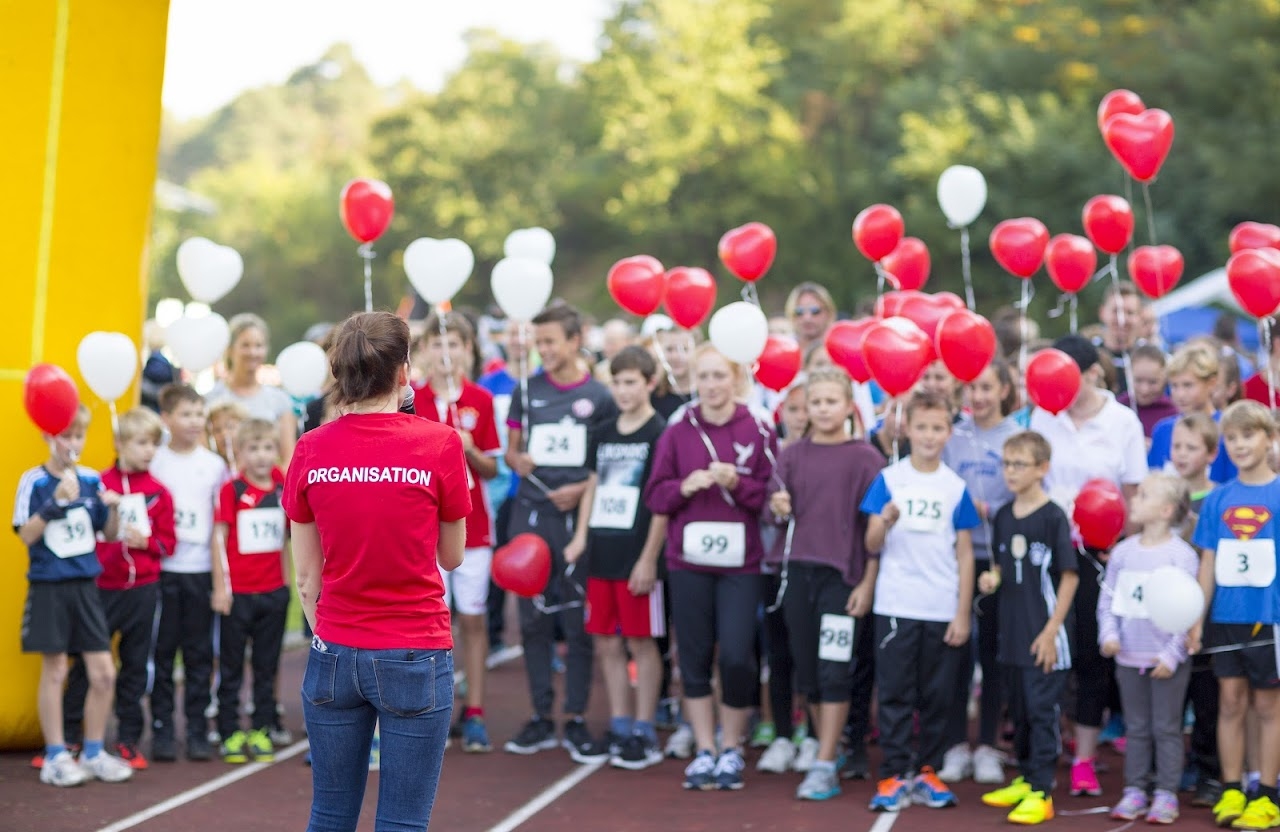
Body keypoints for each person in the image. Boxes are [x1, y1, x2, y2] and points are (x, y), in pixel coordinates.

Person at [283, 311, 470, 831]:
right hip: (414, 647)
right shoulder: (440, 443)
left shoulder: (310, 447)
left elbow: (305, 577)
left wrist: (329, 634)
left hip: (335, 648)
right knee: (403, 821)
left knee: (330, 813)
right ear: (404, 372)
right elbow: (451, 556)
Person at [644, 343, 777, 791]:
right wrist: (685, 486)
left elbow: (771, 501)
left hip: (741, 564)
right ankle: (705, 748)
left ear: (736, 378)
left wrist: (736, 482)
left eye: (721, 376)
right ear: (694, 381)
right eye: (705, 377)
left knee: (738, 655)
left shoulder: (758, 427)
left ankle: (733, 746)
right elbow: (656, 496)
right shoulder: (678, 430)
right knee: (695, 655)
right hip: (688, 561)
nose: (712, 385)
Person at [1030, 334, 1148, 797]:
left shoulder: (1121, 422)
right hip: (1049, 553)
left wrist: (1122, 549)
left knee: (1092, 656)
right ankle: (1044, 745)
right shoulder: (1043, 414)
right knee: (1047, 651)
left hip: (1101, 553)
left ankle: (1084, 758)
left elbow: (1134, 494)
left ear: (1091, 373)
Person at [503, 304, 618, 760]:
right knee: (533, 620)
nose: (543, 350)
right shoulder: (525, 391)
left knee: (576, 622)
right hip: (530, 516)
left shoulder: (600, 396)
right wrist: (519, 461)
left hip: (577, 520)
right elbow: (511, 452)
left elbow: (609, 463)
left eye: (551, 341)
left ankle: (575, 718)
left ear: (574, 340)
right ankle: (539, 715)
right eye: (539, 342)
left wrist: (581, 488)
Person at [765, 367, 884, 801]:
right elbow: (773, 511)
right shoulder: (792, 455)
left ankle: (824, 761)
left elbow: (876, 533)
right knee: (809, 672)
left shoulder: (866, 458)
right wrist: (777, 505)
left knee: (836, 670)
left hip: (841, 578)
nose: (823, 409)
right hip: (797, 574)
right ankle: (825, 750)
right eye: (816, 402)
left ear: (847, 405)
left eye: (831, 401)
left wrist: (866, 583)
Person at [861, 390, 979, 813]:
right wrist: (885, 521)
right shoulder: (890, 479)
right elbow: (871, 542)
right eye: (922, 427)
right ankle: (893, 772)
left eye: (938, 428)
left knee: (937, 694)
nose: (929, 436)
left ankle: (927, 769)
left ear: (949, 432)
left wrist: (962, 612)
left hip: (940, 606)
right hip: (896, 604)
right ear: (906, 429)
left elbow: (965, 553)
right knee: (894, 691)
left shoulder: (956, 487)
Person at [14, 405, 132, 787]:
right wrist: (55, 504)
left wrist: (112, 510)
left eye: (79, 436)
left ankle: (94, 751)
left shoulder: (91, 480)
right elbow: (26, 535)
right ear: (50, 437)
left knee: (103, 673)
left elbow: (109, 534)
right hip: (50, 587)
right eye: (66, 436)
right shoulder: (34, 482)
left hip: (86, 586)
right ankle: (55, 755)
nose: (73, 444)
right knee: (57, 670)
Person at [564, 345, 669, 770]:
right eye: (617, 382)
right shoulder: (603, 430)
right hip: (601, 551)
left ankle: (645, 726)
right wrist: (579, 536)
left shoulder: (660, 432)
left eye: (631, 382)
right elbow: (591, 485)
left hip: (637, 554)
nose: (623, 391)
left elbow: (661, 502)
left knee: (641, 641)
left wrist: (649, 558)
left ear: (649, 383)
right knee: (606, 640)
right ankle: (621, 721)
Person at [63, 407, 176, 771]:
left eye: (153, 444)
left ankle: (127, 738)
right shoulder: (96, 485)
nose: (149, 451)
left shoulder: (160, 491)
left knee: (134, 666)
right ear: (120, 443)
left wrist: (146, 542)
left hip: (143, 590)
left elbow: (168, 544)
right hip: (101, 589)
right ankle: (71, 737)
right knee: (85, 662)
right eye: (142, 443)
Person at [977, 431, 1079, 826]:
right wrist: (993, 579)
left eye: (1019, 464)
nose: (1010, 472)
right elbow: (1004, 568)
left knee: (1041, 710)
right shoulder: (1003, 515)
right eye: (1006, 464)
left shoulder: (1053, 516)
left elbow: (1068, 578)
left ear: (1042, 469)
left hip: (1045, 634)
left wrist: (1053, 630)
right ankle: (1024, 778)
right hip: (1012, 632)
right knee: (1017, 708)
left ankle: (1042, 791)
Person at [1191, 401, 1280, 830]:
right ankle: (1231, 788)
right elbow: (1207, 563)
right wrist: (1196, 616)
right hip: (1226, 617)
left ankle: (1266, 793)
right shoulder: (1217, 499)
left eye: (1249, 435)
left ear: (1270, 438)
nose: (1240, 444)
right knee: (1230, 702)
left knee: (1267, 705)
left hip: (1270, 619)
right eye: (1232, 437)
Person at [415, 312, 501, 753]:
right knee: (434, 620)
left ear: (469, 350)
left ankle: (476, 711)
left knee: (472, 618)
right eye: (436, 345)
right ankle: (436, 708)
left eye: (454, 345)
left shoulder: (480, 400)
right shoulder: (411, 398)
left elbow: (492, 466)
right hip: (424, 529)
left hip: (474, 529)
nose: (445, 354)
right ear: (423, 350)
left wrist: (468, 449)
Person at [1098, 474, 1200, 824]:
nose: (1134, 501)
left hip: (1165, 662)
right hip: (1129, 656)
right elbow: (1108, 599)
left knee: (1167, 728)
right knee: (1137, 728)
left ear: (1166, 510)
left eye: (1143, 496)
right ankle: (1135, 789)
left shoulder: (1181, 556)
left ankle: (1167, 793)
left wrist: (1172, 655)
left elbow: (1188, 610)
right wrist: (1108, 635)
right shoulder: (1124, 552)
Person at [939, 358, 1022, 785]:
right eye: (972, 387)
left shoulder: (1016, 437)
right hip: (956, 557)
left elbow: (1026, 495)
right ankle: (955, 744)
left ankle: (988, 746)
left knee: (992, 656)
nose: (979, 396)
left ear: (1005, 390)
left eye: (988, 387)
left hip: (998, 558)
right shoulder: (953, 435)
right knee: (955, 653)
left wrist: (994, 510)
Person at [149, 384, 230, 762]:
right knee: (163, 653)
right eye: (186, 414)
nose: (195, 421)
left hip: (198, 570)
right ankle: (162, 728)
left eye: (199, 413)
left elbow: (219, 528)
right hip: (163, 570)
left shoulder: (214, 465)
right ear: (166, 418)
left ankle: (197, 729)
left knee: (199, 655)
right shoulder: (155, 461)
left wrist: (219, 581)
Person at [214, 419, 289, 764]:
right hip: (238, 593)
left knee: (265, 665)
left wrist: (289, 583)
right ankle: (229, 729)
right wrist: (221, 586)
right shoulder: (232, 489)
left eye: (267, 448)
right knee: (231, 665)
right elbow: (220, 537)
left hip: (273, 591)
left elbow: (294, 536)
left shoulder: (282, 485)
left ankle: (260, 728)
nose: (261, 456)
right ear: (240, 452)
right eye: (253, 449)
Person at [1169, 412, 1223, 806]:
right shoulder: (1163, 495)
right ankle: (1169, 768)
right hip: (1164, 616)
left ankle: (1207, 769)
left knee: (1207, 697)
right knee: (1171, 696)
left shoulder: (1219, 497)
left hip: (1207, 611)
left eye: (1191, 448)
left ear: (1210, 453)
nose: (1182, 454)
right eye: (1176, 447)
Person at [205, 313, 298, 467]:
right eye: (245, 345)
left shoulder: (280, 400)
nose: (253, 352)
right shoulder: (212, 398)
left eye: (258, 346)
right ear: (230, 349)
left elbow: (288, 457)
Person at [1148, 342, 1235, 483]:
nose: (1180, 394)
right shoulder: (1163, 430)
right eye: (1174, 386)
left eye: (1188, 385)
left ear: (1211, 383)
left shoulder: (1227, 429)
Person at [1118, 344, 1178, 442]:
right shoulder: (1119, 407)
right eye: (1138, 380)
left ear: (1165, 378)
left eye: (1153, 382)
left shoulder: (1173, 413)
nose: (1144, 390)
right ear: (1127, 375)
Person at [784, 282, 836, 354]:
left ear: (828, 313)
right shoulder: (785, 349)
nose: (807, 318)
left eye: (815, 311)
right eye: (799, 311)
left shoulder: (839, 349)